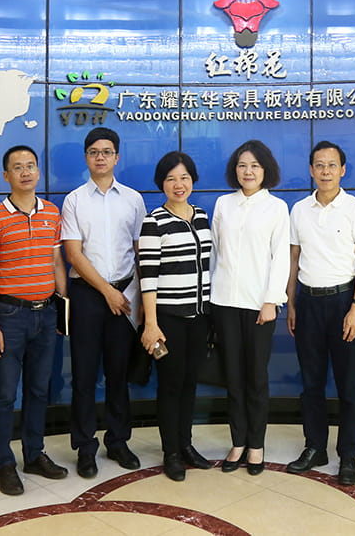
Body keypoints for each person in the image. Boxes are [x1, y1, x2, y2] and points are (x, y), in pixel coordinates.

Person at [0, 145, 69, 496]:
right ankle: (4, 463)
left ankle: (34, 454)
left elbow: (56, 262)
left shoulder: (52, 213)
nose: (25, 172)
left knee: (38, 390)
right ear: (6, 175)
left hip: (46, 314)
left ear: (38, 171)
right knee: (4, 394)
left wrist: (62, 308)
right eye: (17, 167)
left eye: (30, 166)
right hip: (9, 316)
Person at [285, 140, 355, 486]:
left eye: (332, 165)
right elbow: (293, 260)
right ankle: (315, 447)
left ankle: (348, 455)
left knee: (348, 384)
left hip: (344, 302)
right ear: (311, 170)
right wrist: (291, 302)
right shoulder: (299, 210)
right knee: (311, 382)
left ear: (342, 170)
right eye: (319, 165)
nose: (325, 171)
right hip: (308, 302)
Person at [61, 127, 145, 479]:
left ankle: (118, 441)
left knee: (118, 374)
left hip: (125, 295)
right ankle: (85, 447)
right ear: (86, 157)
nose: (100, 157)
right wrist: (106, 292)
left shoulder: (133, 200)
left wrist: (138, 298)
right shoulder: (74, 200)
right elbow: (73, 255)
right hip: (87, 296)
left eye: (107, 152)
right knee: (83, 375)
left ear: (116, 157)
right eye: (94, 152)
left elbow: (140, 251)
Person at [210, 140, 289, 476]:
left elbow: (281, 257)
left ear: (265, 169)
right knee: (233, 377)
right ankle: (238, 441)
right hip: (224, 302)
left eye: (255, 165)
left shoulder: (276, 208)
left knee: (256, 377)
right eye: (242, 165)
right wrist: (210, 294)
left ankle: (256, 444)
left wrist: (272, 300)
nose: (248, 171)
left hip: (260, 306)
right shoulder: (223, 204)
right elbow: (215, 253)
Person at [138, 151, 214, 482]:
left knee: (190, 383)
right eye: (171, 179)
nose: (178, 184)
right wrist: (151, 324)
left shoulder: (202, 216)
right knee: (170, 385)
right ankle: (171, 452)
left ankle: (186, 444)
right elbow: (148, 276)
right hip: (167, 320)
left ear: (192, 180)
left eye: (184, 177)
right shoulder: (154, 221)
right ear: (162, 184)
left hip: (200, 317)